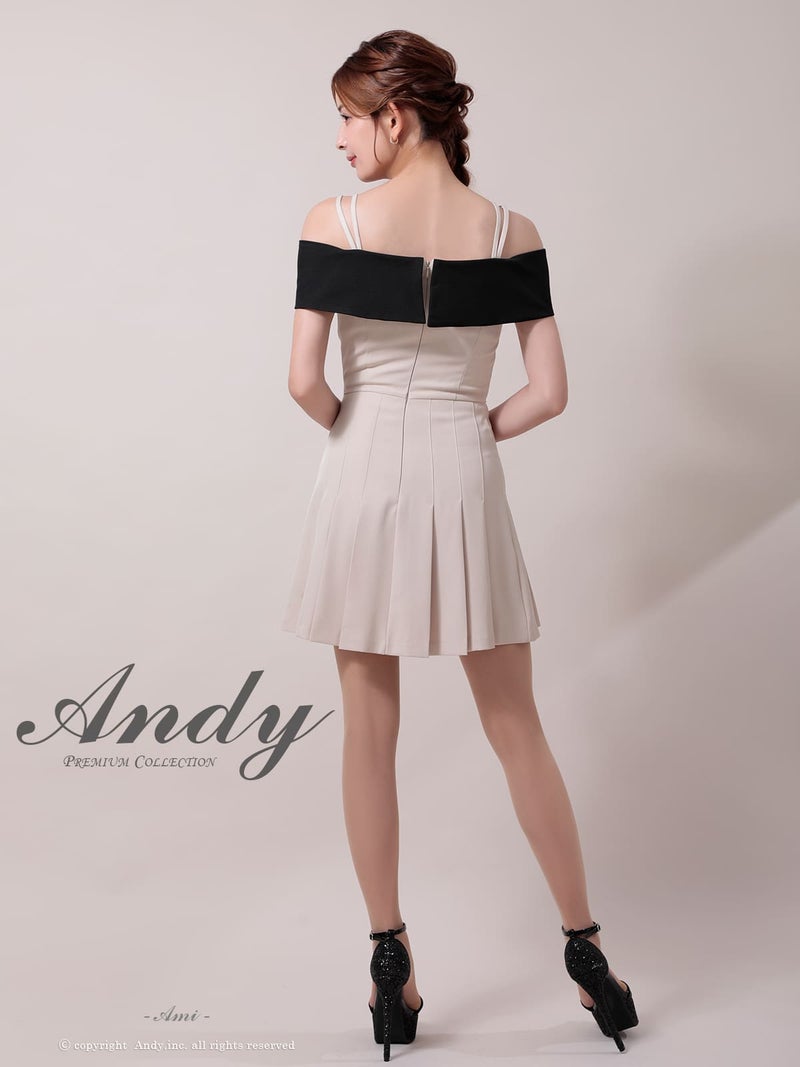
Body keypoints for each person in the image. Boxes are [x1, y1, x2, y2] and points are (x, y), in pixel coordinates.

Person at [282, 28, 638, 1060]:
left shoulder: (335, 221)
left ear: (395, 117)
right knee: (516, 723)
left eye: (348, 118)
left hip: (360, 475)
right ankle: (586, 951)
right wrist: (466, 429)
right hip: (464, 472)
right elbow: (549, 393)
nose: (340, 139)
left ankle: (388, 961)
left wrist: (360, 432)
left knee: (367, 729)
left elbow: (303, 383)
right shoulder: (512, 233)